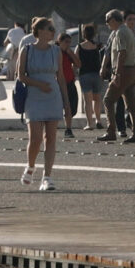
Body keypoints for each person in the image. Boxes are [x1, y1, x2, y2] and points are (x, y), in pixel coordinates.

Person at [11, 16, 64, 191]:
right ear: (40, 31)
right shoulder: (27, 50)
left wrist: (67, 102)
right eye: (50, 29)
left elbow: (61, 77)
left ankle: (47, 177)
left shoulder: (56, 51)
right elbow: (21, 76)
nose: (53, 32)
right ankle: (30, 166)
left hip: (53, 96)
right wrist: (39, 84)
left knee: (50, 138)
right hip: (34, 96)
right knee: (35, 139)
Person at [104, 8, 135, 144]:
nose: (107, 24)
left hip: (124, 71)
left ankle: (111, 131)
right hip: (133, 70)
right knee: (132, 106)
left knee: (108, 100)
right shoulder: (128, 31)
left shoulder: (120, 32)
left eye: (108, 21)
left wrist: (117, 74)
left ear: (114, 20)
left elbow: (122, 53)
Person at [74, 24, 108, 135]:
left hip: (84, 75)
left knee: (87, 101)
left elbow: (76, 61)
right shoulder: (98, 46)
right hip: (97, 75)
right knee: (97, 99)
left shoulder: (79, 46)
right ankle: (98, 120)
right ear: (94, 34)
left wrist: (75, 72)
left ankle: (90, 123)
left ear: (84, 34)